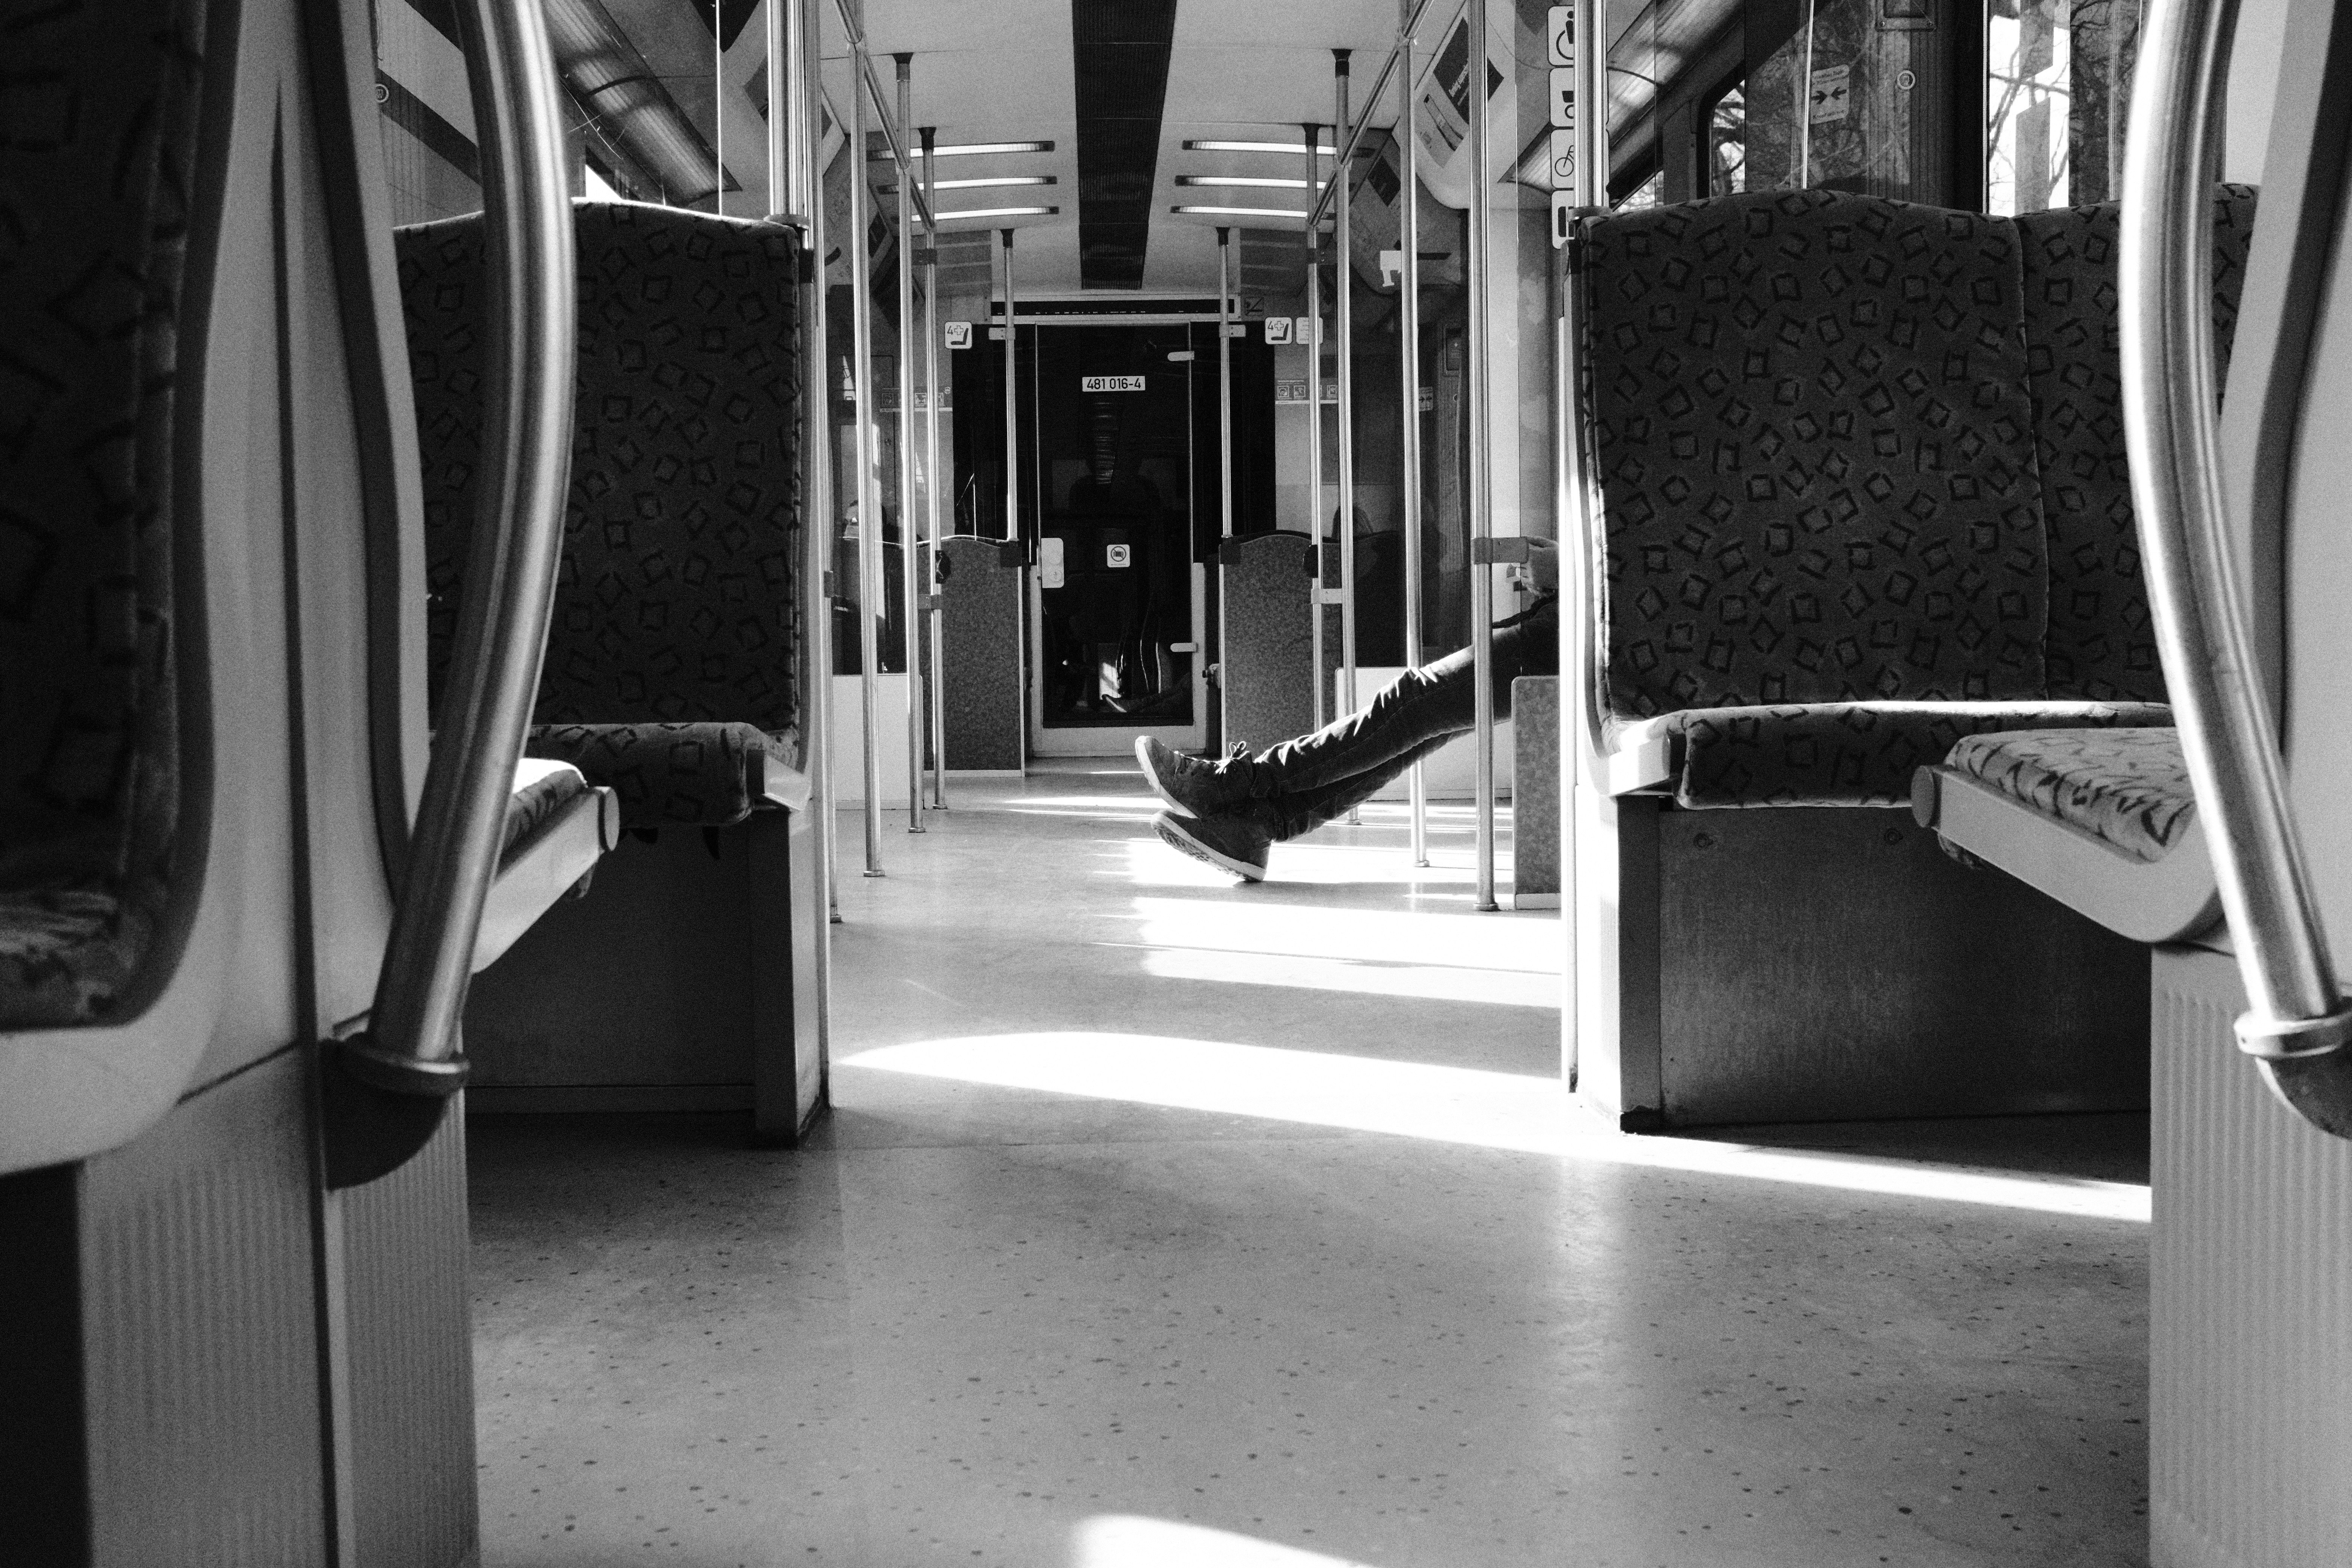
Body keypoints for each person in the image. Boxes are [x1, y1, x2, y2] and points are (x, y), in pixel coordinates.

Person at [1138, 538, 1559, 881]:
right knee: (1417, 728)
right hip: (1560, 623)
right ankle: (1254, 826)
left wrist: (1563, 569)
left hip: (1561, 632)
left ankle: (1236, 785)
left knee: (1414, 701)